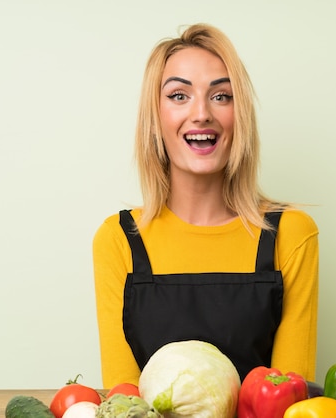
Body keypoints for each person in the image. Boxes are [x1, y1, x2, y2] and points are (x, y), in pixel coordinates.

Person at [92, 23, 318, 389]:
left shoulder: (290, 235)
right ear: (155, 119)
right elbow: (125, 401)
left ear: (239, 116)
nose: (201, 114)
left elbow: (288, 399)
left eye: (221, 96)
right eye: (179, 96)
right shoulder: (118, 240)